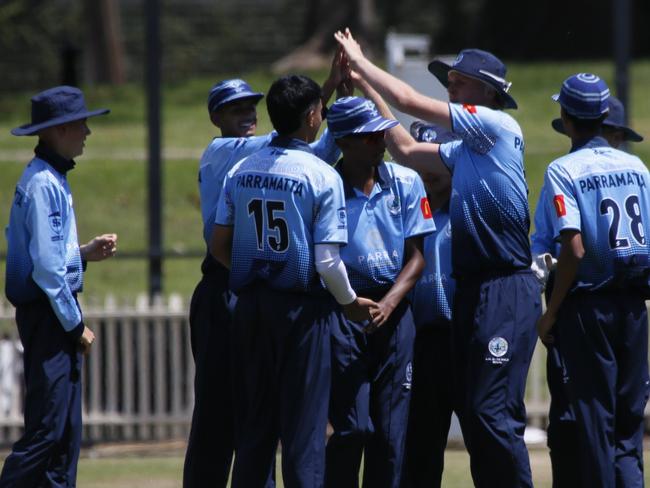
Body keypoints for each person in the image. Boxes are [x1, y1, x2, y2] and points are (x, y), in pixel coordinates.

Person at [334, 31, 541, 487]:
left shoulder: (495, 127)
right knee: (477, 416)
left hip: (504, 284)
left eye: (459, 80)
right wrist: (365, 89)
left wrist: (361, 61)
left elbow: (408, 98)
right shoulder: (468, 150)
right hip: (476, 289)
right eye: (449, 79)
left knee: (490, 414)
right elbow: (406, 150)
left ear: (488, 93)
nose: (449, 85)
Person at [184, 59, 349, 488]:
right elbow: (291, 142)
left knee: (256, 415)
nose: (247, 115)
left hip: (252, 288)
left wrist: (319, 103)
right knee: (221, 414)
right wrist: (325, 90)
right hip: (227, 285)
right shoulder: (226, 152)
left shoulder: (262, 159)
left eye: (252, 106)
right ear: (215, 118)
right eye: (235, 108)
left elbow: (301, 151)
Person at [537, 73, 650, 488]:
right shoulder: (637, 166)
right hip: (634, 309)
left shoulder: (563, 170)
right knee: (627, 428)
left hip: (587, 309)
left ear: (565, 118)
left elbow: (575, 249)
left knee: (595, 427)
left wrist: (550, 314)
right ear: (605, 116)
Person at [2, 85, 117, 487]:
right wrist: (74, 326)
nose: (87, 131)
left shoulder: (46, 178)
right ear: (59, 130)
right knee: (48, 431)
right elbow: (48, 272)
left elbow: (42, 256)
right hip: (50, 318)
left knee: (64, 435)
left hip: (45, 314)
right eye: (81, 124)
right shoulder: (44, 184)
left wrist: (83, 253)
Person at [322, 97, 434, 488]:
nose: (382, 140)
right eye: (371, 136)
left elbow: (418, 257)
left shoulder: (406, 182)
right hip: (344, 313)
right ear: (345, 141)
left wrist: (389, 302)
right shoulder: (326, 186)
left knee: (389, 436)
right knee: (352, 431)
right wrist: (352, 304)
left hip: (394, 311)